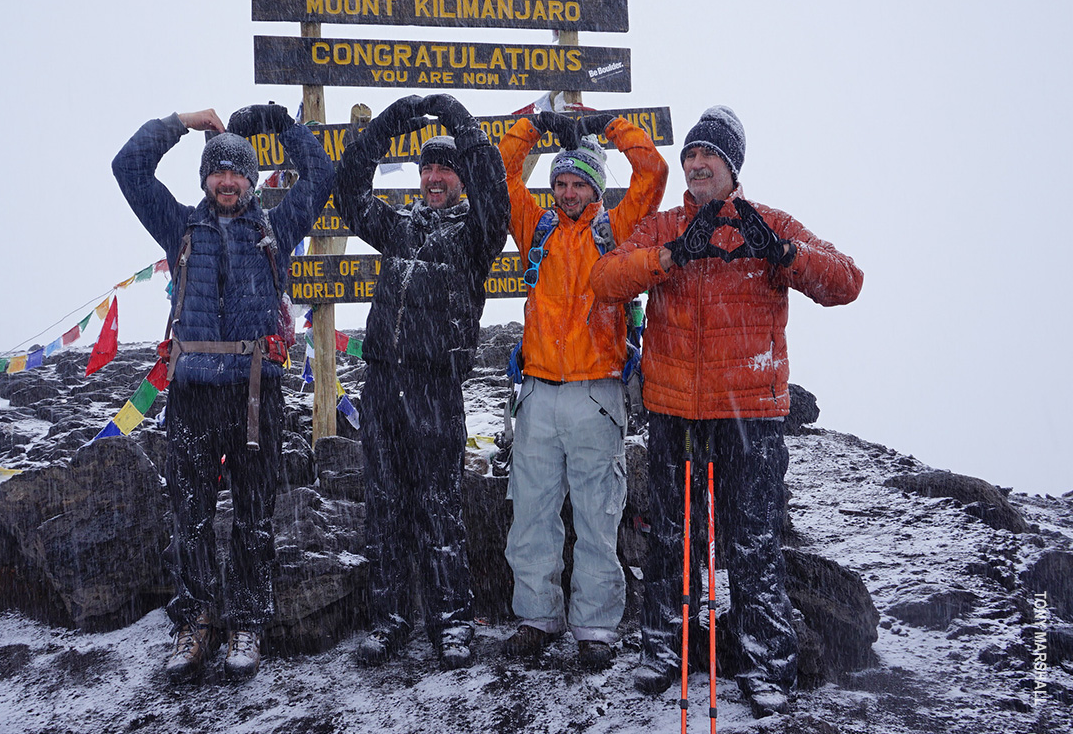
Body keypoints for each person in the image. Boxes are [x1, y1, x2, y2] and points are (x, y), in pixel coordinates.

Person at [590, 105, 863, 715]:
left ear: (732, 164)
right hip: (675, 414)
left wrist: (785, 253)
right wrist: (670, 257)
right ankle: (665, 649)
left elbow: (847, 281)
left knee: (753, 542)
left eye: (707, 155)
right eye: (689, 156)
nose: (694, 164)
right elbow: (605, 280)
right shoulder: (664, 228)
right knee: (674, 540)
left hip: (750, 417)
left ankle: (767, 662)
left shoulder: (770, 224)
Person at [112, 103, 334, 682]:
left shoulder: (275, 231)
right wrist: (182, 123)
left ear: (252, 179)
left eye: (237, 172)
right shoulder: (179, 226)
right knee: (190, 515)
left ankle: (247, 623)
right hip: (191, 395)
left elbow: (320, 173)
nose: (227, 181)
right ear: (205, 178)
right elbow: (129, 166)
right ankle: (196, 622)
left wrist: (280, 122)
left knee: (255, 516)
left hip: (256, 394)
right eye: (218, 172)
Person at [333, 93, 510, 669]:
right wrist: (386, 127)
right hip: (383, 384)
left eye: (445, 167)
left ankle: (452, 623)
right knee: (384, 508)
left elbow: (496, 196)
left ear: (459, 177)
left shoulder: (476, 234)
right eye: (427, 167)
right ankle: (389, 620)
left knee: (441, 509)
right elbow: (348, 193)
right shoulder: (398, 227)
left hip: (436, 387)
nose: (434, 177)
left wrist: (460, 123)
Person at [498, 110, 668, 668]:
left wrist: (614, 126)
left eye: (579, 184)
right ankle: (536, 617)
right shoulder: (536, 227)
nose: (568, 193)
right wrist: (531, 128)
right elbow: (500, 173)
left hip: (596, 394)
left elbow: (653, 171)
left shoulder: (614, 230)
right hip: (538, 392)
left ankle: (595, 626)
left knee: (598, 514)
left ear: (596, 188)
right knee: (532, 513)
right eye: (562, 184)